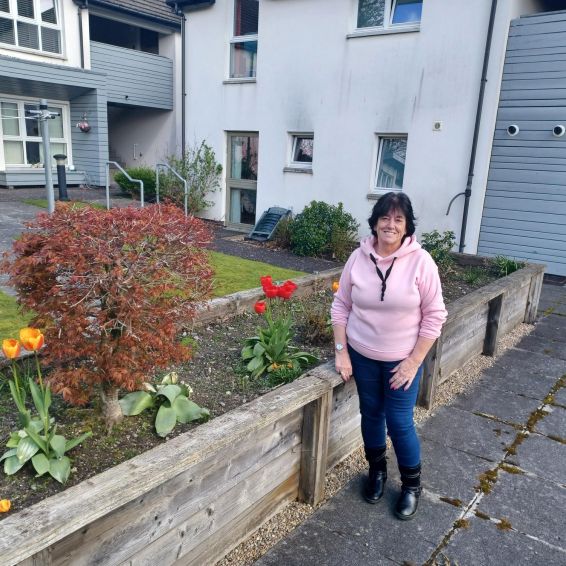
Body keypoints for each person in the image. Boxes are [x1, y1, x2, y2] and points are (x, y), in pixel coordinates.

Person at [331, 192, 447, 520]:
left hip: (401, 361)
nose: (390, 225)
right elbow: (341, 305)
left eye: (398, 219)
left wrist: (413, 362)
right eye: (385, 217)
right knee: (370, 415)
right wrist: (341, 353)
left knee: (398, 423)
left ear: (407, 225)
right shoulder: (358, 257)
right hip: (362, 355)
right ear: (375, 222)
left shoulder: (421, 262)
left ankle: (411, 486)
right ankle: (377, 473)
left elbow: (435, 315)